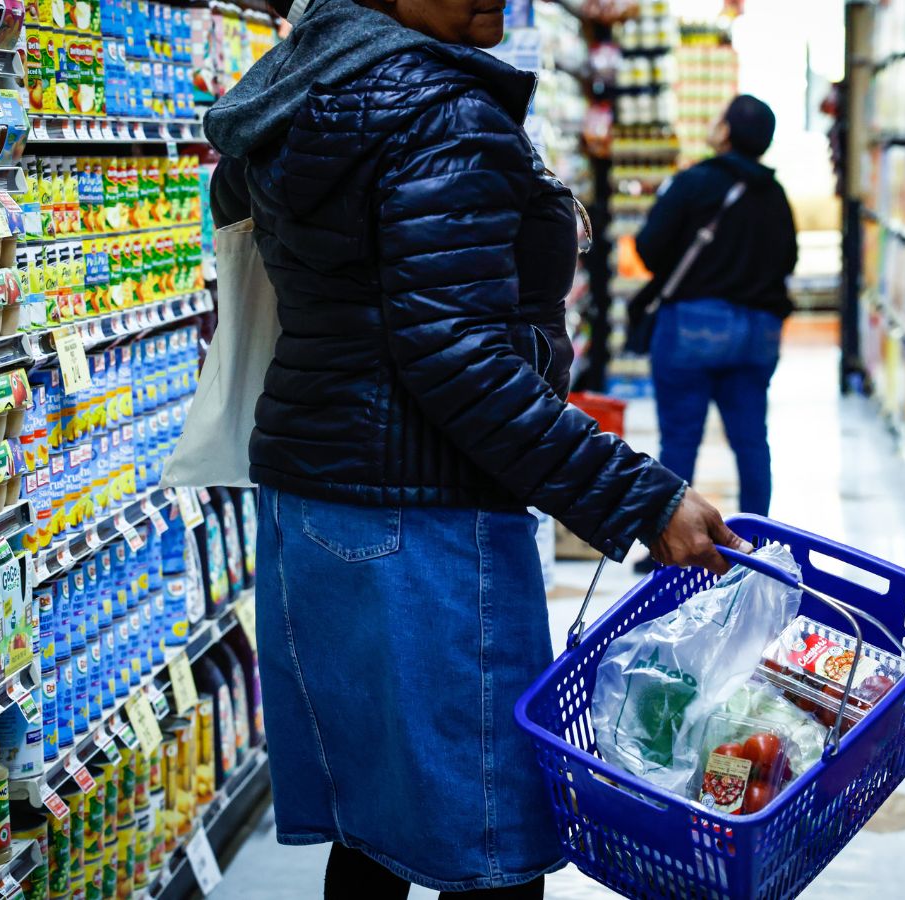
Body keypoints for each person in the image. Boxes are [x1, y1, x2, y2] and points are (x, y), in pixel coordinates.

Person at [204, 1, 751, 897]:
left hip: (316, 503)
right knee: (494, 844)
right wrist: (642, 499)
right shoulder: (439, 108)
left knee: (373, 833)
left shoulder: (310, 86)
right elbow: (461, 362)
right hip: (425, 515)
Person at [635, 95, 797, 552]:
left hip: (693, 327)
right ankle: (758, 543)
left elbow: (649, 248)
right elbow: (788, 258)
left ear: (725, 132)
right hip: (758, 332)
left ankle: (669, 542)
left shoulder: (693, 183)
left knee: (681, 439)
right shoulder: (775, 195)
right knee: (751, 440)